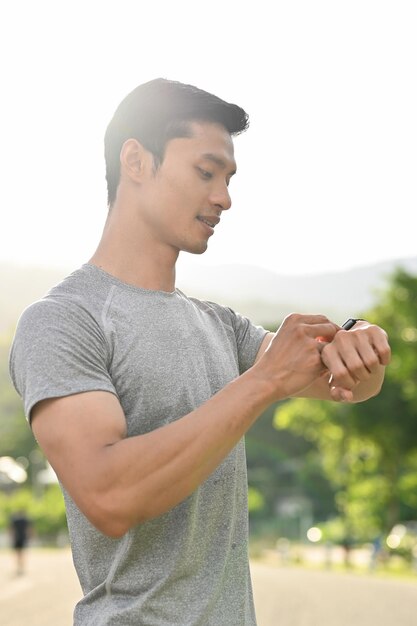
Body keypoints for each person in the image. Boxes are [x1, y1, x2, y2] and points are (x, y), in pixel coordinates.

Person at [9, 78, 391, 625]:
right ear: (137, 162)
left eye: (229, 179)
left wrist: (364, 344)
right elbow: (109, 496)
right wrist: (261, 383)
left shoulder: (220, 325)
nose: (224, 198)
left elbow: (349, 387)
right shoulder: (63, 320)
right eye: (205, 172)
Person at [9, 509, 32, 575]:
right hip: (23, 538)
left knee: (17, 553)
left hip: (16, 538)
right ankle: (21, 567)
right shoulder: (25, 520)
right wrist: (31, 535)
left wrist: (11, 536)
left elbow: (11, 529)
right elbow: (29, 528)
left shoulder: (14, 520)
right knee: (22, 553)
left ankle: (18, 567)